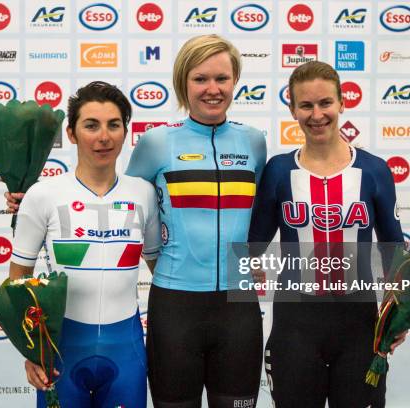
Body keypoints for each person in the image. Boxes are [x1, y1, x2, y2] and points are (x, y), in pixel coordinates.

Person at [248, 61, 407, 407]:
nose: (316, 114)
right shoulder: (278, 171)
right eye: (305, 105)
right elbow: (251, 244)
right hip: (295, 325)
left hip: (359, 324)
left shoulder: (374, 171)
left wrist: (399, 314)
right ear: (292, 109)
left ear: (342, 104)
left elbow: (393, 248)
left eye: (325, 103)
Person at [126, 35, 266, 407]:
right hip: (175, 306)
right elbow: (120, 204)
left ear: (235, 81)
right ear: (182, 83)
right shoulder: (156, 143)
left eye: (222, 78)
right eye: (200, 79)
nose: (212, 89)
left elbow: (270, 209)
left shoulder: (254, 142)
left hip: (238, 308)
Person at [8, 81, 161, 407]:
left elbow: (161, 269)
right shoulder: (43, 194)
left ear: (125, 132)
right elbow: (17, 277)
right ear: (73, 133)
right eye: (91, 125)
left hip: (127, 352)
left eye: (113, 125)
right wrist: (31, 350)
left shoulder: (143, 193)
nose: (103, 136)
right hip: (60, 352)